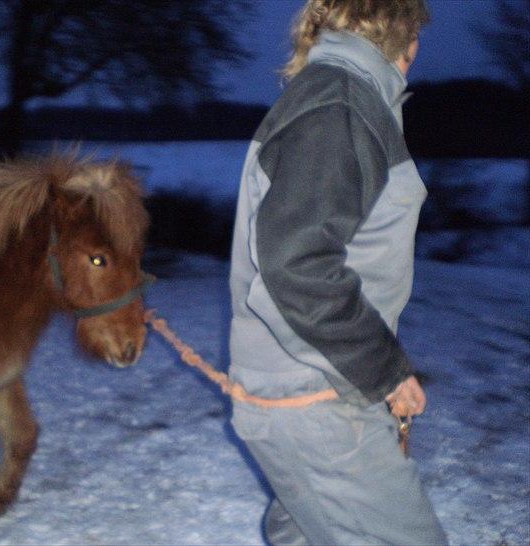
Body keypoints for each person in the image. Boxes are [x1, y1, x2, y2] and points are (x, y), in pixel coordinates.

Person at [228, 0, 448, 544]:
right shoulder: (341, 105)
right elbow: (297, 262)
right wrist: (386, 371)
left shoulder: (341, 98)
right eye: (416, 31)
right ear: (401, 33)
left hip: (315, 393)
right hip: (318, 402)